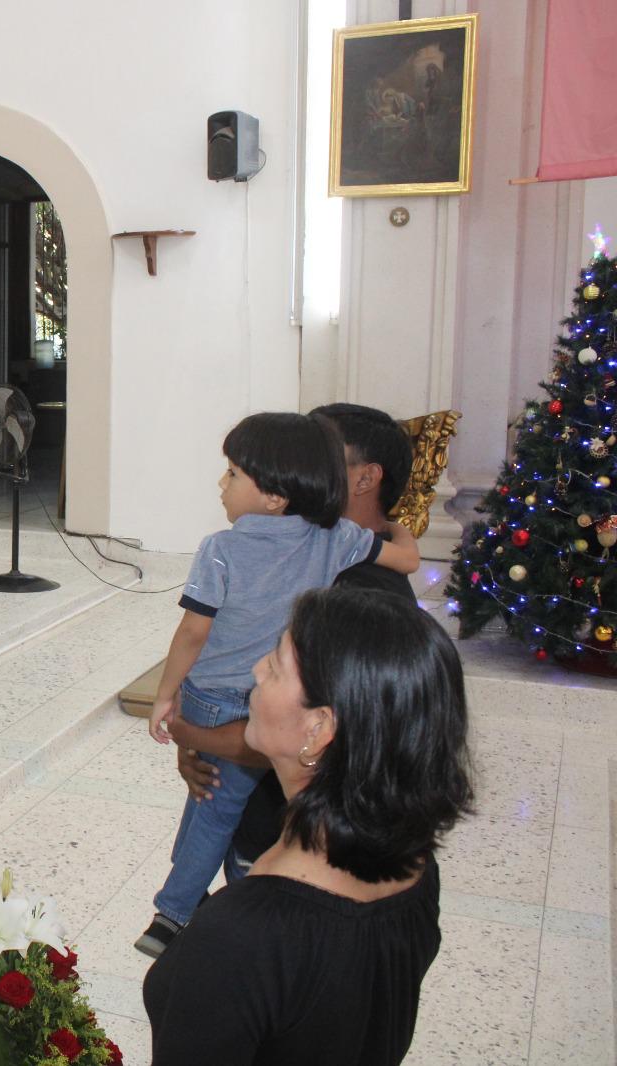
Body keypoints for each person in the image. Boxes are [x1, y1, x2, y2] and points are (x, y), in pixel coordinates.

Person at [143, 587, 474, 1065]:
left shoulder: (240, 937)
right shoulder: (415, 864)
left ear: (319, 728)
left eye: (275, 666)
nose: (257, 670)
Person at [136, 412, 419, 958]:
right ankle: (184, 902)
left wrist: (180, 716)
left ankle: (173, 912)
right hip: (241, 750)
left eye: (235, 473)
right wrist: (402, 529)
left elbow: (196, 631)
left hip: (284, 824)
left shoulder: (230, 549)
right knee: (209, 809)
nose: (224, 483)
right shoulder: (335, 542)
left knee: (211, 815)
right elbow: (406, 556)